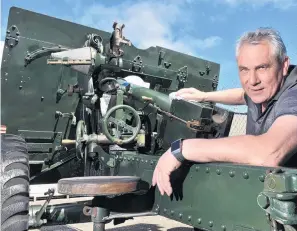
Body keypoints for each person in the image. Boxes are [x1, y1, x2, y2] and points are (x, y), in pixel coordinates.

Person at [152, 27, 297, 196]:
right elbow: (242, 95)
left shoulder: (292, 95)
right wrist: (204, 96)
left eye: (262, 67)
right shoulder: (264, 89)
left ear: (284, 65)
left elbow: (268, 153)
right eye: (244, 69)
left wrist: (181, 149)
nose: (252, 80)